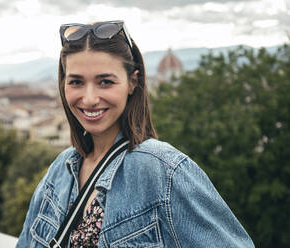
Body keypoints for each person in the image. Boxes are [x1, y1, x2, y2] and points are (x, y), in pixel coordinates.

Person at [16, 20, 254, 248]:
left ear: (132, 82)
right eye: (76, 82)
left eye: (106, 82)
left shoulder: (162, 170)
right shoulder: (60, 170)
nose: (89, 98)